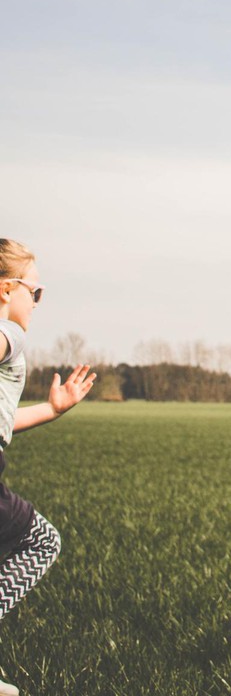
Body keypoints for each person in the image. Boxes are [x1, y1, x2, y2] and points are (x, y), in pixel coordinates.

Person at [0, 238, 96, 696]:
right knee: (42, 541)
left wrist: (52, 409)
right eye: (34, 292)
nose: (37, 303)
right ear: (6, 290)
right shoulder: (11, 334)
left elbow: (3, 424)